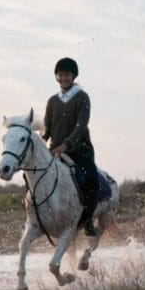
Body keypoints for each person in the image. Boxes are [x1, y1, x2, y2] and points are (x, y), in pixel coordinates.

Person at [42, 57, 99, 236]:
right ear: (56, 77)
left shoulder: (82, 97)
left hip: (79, 149)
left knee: (92, 182)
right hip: (55, 150)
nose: (64, 77)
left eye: (67, 74)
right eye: (60, 74)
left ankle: (88, 219)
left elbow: (81, 126)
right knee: (36, 176)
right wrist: (40, 142)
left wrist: (66, 145)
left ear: (73, 75)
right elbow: (47, 128)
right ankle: (34, 216)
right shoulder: (52, 101)